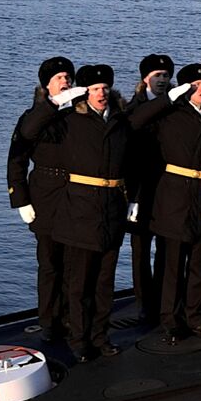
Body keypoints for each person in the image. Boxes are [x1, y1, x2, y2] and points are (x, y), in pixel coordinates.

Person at [21, 63, 130, 361]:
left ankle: (100, 335)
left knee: (104, 282)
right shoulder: (68, 121)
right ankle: (79, 339)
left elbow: (131, 161)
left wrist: (133, 199)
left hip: (111, 210)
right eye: (94, 89)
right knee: (79, 282)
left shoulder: (120, 120)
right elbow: (28, 131)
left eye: (105, 88)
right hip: (80, 210)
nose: (101, 93)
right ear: (84, 93)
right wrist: (56, 102)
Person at [130, 63, 201, 343]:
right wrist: (167, 99)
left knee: (199, 263)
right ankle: (170, 319)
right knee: (172, 263)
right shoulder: (169, 114)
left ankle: (195, 316)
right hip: (174, 195)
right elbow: (135, 121)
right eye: (196, 85)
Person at [8, 56, 74, 342]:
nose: (65, 81)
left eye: (68, 77)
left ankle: (72, 316)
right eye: (59, 78)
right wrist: (21, 199)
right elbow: (17, 159)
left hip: (76, 195)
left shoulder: (78, 114)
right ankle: (49, 320)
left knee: (73, 263)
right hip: (45, 195)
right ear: (47, 85)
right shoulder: (33, 116)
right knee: (49, 263)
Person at [127, 54, 174, 322]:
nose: (162, 80)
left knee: (167, 246)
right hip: (142, 188)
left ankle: (163, 298)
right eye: (157, 75)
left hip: (169, 186)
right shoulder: (133, 107)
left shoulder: (175, 105)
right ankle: (144, 302)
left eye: (166, 75)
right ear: (145, 78)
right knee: (141, 249)